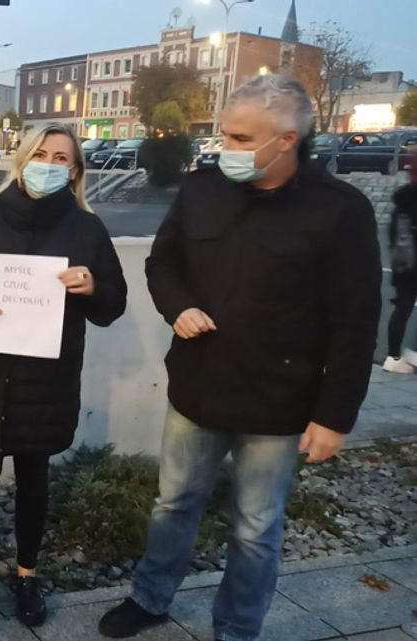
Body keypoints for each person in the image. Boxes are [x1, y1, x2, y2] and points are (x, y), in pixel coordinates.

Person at [99, 74, 381, 641]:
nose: (223, 148)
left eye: (238, 138)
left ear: (285, 141)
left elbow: (356, 319)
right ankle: (150, 599)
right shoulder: (202, 189)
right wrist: (177, 307)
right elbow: (163, 263)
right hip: (198, 387)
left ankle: (236, 629)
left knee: (255, 527)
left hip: (279, 401)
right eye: (223, 136)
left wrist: (334, 416)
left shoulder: (340, 210)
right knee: (174, 503)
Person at [0, 122, 127, 627]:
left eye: (62, 158)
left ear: (75, 170)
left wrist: (92, 286)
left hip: (50, 376)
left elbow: (114, 305)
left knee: (35, 478)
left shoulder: (87, 229)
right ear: (21, 159)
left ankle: (27, 573)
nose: (50, 164)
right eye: (41, 153)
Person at [383, 151, 417, 374]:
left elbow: (392, 233)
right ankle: (397, 356)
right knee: (403, 309)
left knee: (403, 309)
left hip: (404, 264)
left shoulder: (403, 199)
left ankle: (394, 355)